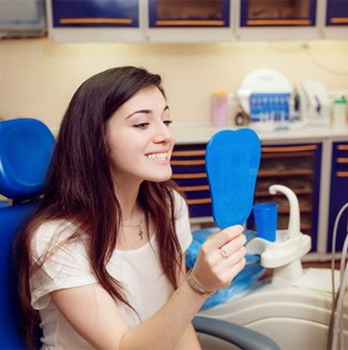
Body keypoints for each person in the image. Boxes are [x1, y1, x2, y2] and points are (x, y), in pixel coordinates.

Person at [14, 66, 247, 350]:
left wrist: (193, 290)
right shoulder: (57, 239)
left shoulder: (169, 206)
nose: (166, 136)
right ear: (96, 139)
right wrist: (198, 285)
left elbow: (178, 317)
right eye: (142, 124)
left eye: (166, 120)